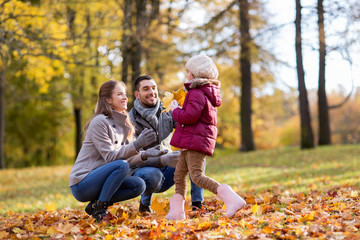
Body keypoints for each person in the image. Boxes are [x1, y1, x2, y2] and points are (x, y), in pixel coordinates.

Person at [69, 80, 167, 222]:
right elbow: (111, 158)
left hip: (101, 179)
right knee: (121, 165)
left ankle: (96, 204)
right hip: (83, 183)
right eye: (119, 94)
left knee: (139, 185)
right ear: (108, 100)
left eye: (125, 94)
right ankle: (100, 210)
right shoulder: (100, 122)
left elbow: (124, 159)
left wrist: (145, 155)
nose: (125, 98)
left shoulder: (123, 123)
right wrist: (138, 144)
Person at [166, 55, 246, 220]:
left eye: (188, 71)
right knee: (179, 175)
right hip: (190, 141)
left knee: (197, 176)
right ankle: (177, 212)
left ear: (196, 74)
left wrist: (175, 110)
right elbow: (193, 114)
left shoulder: (196, 92)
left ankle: (232, 199)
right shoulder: (200, 92)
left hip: (196, 142)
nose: (186, 74)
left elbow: (189, 117)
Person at [129, 75, 206, 213]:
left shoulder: (167, 110)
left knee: (195, 155)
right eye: (146, 89)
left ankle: (197, 203)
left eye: (154, 88)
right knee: (153, 175)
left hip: (169, 167)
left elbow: (186, 126)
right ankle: (145, 204)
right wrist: (160, 160)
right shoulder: (130, 120)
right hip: (143, 172)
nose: (151, 92)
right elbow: (130, 159)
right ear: (137, 94)